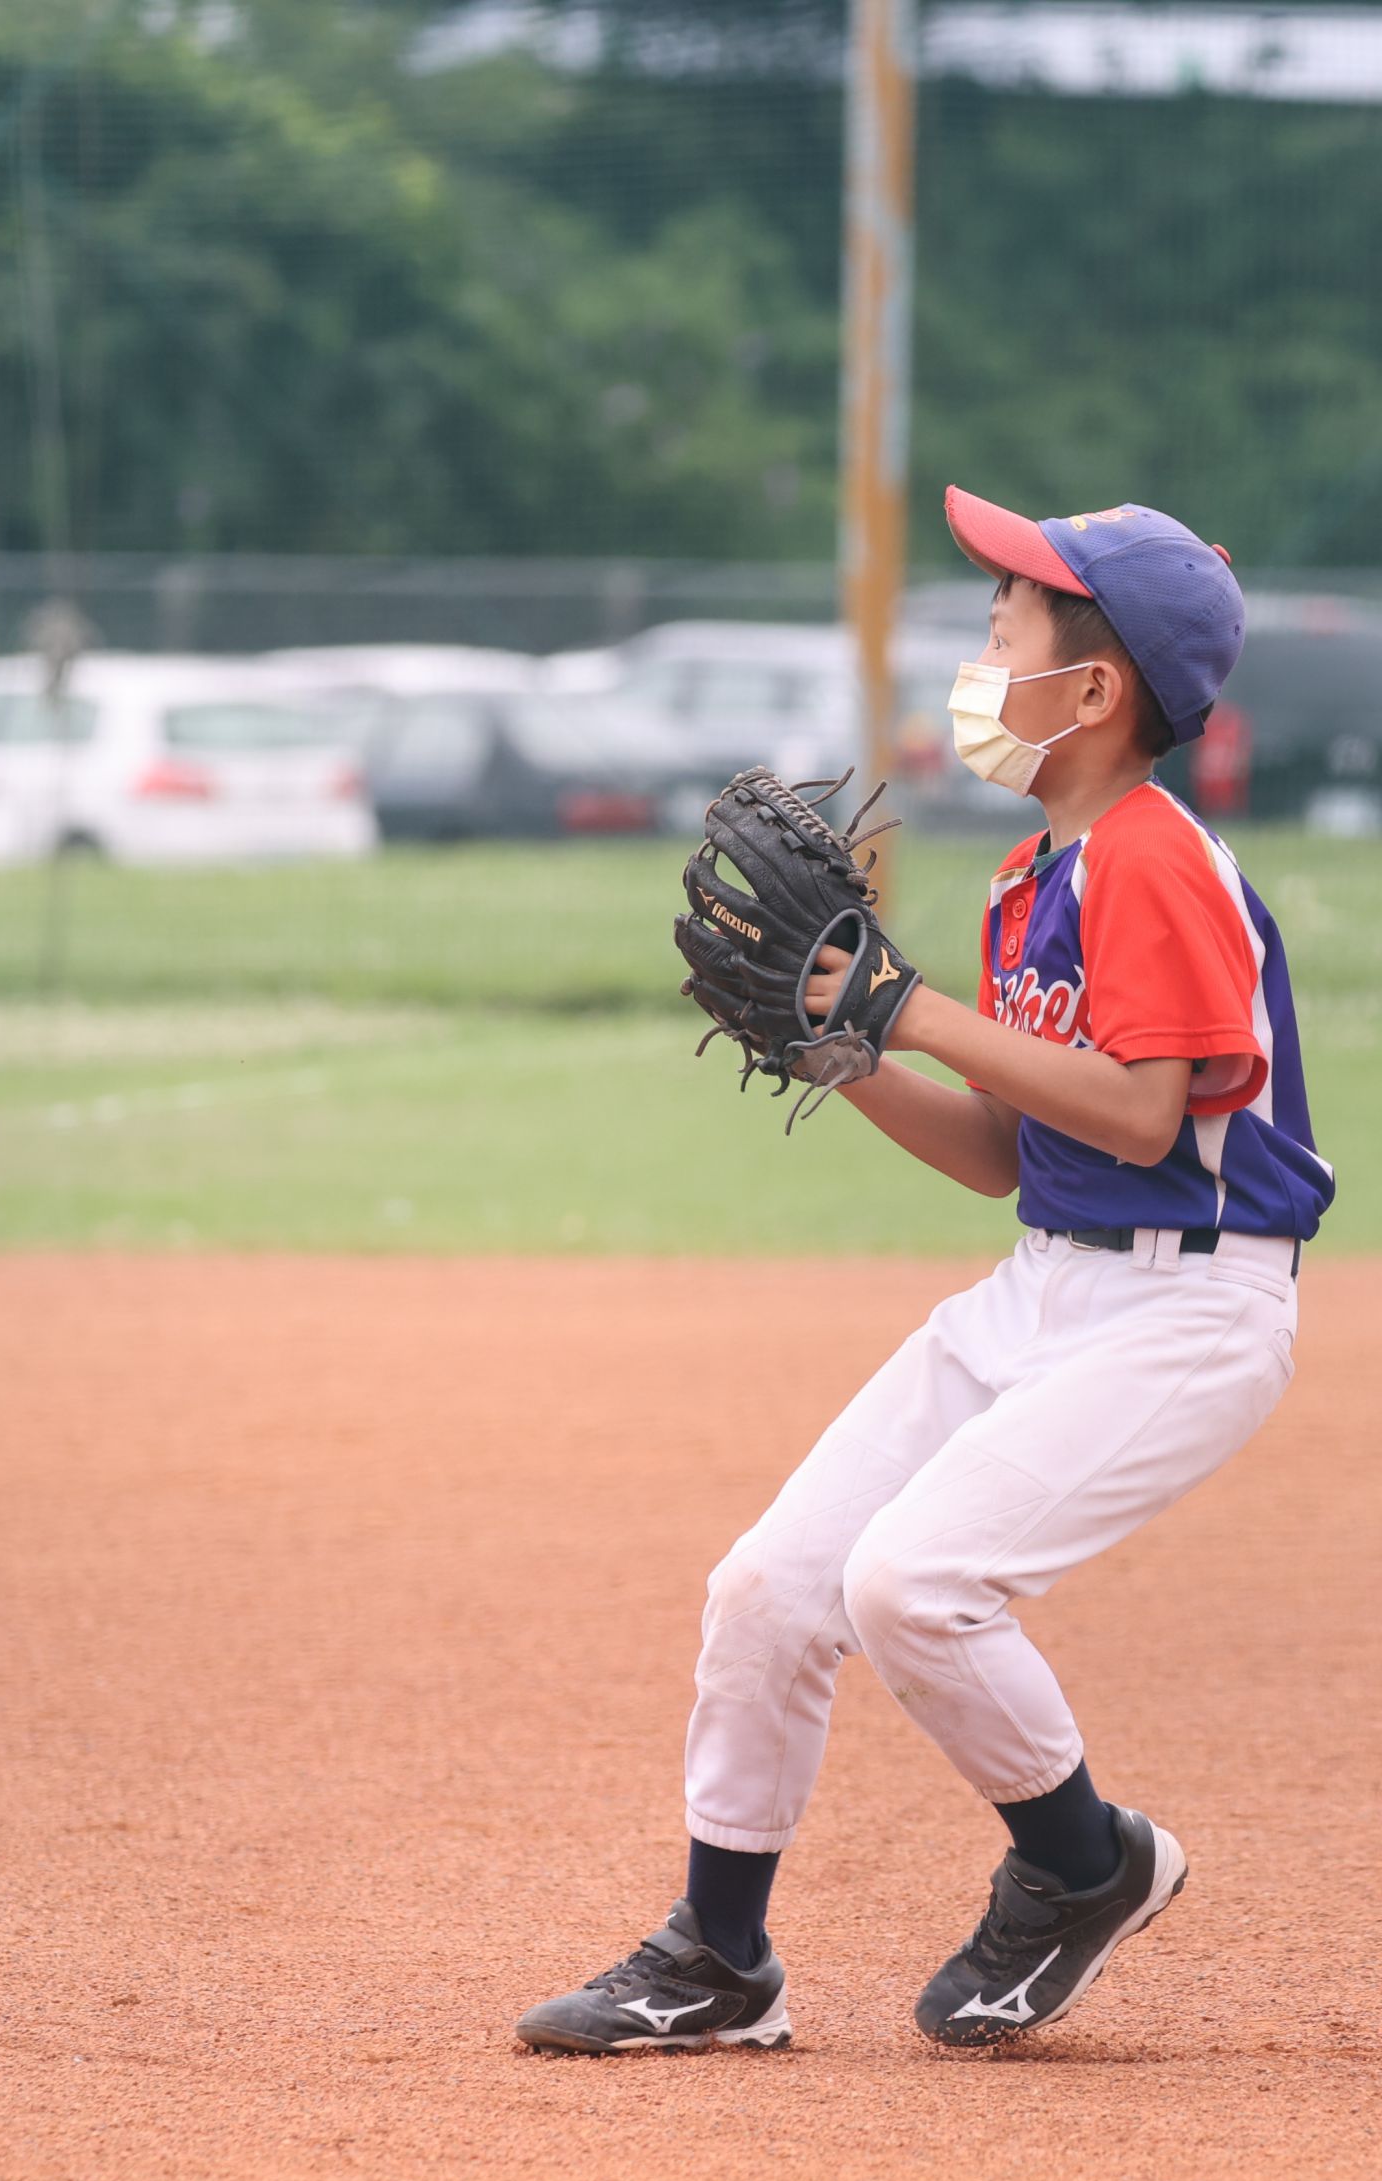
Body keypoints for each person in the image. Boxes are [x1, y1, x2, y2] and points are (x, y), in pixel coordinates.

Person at [517, 489, 1333, 2053]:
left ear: (1095, 689)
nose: (982, 653)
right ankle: (718, 1960)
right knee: (771, 1588)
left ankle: (1081, 1865)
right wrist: (847, 1055)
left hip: (1190, 1308)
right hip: (1046, 1285)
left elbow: (1144, 1111)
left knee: (915, 1585)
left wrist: (913, 1009)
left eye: (1006, 625)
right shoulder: (1034, 879)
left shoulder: (1153, 861)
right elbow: (1006, 1154)